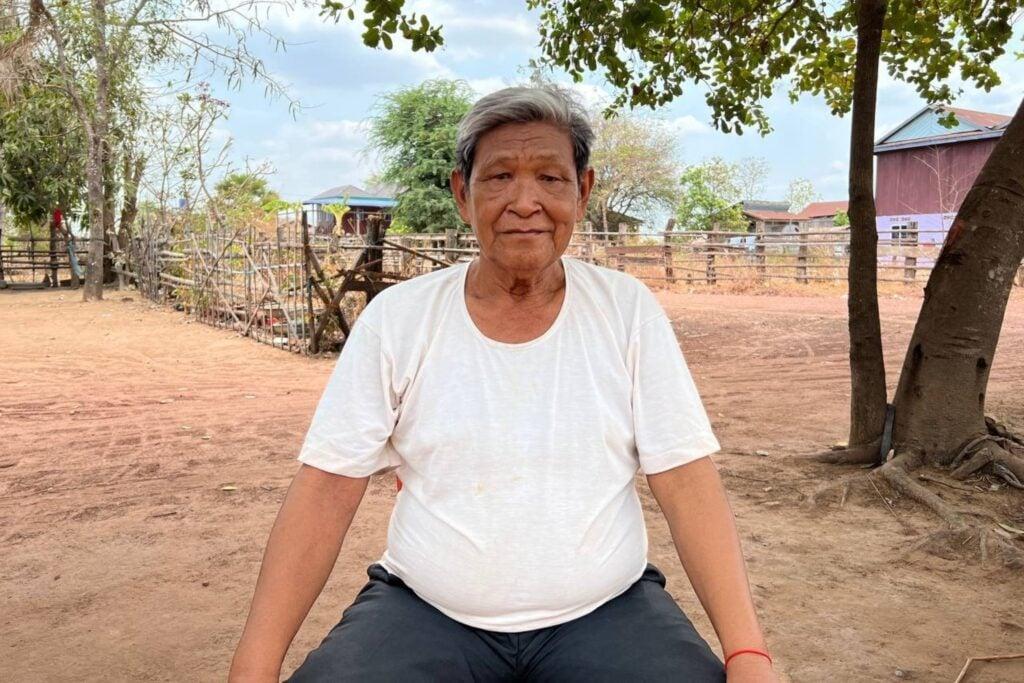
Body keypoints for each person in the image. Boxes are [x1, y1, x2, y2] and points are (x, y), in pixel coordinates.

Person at [229, 86, 776, 682]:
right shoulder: (400, 320)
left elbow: (685, 479)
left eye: (550, 177)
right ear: (463, 194)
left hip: (607, 610)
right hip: (424, 611)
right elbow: (326, 490)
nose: (525, 202)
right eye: (499, 177)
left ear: (583, 191)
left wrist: (748, 652)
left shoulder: (626, 310)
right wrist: (253, 667)